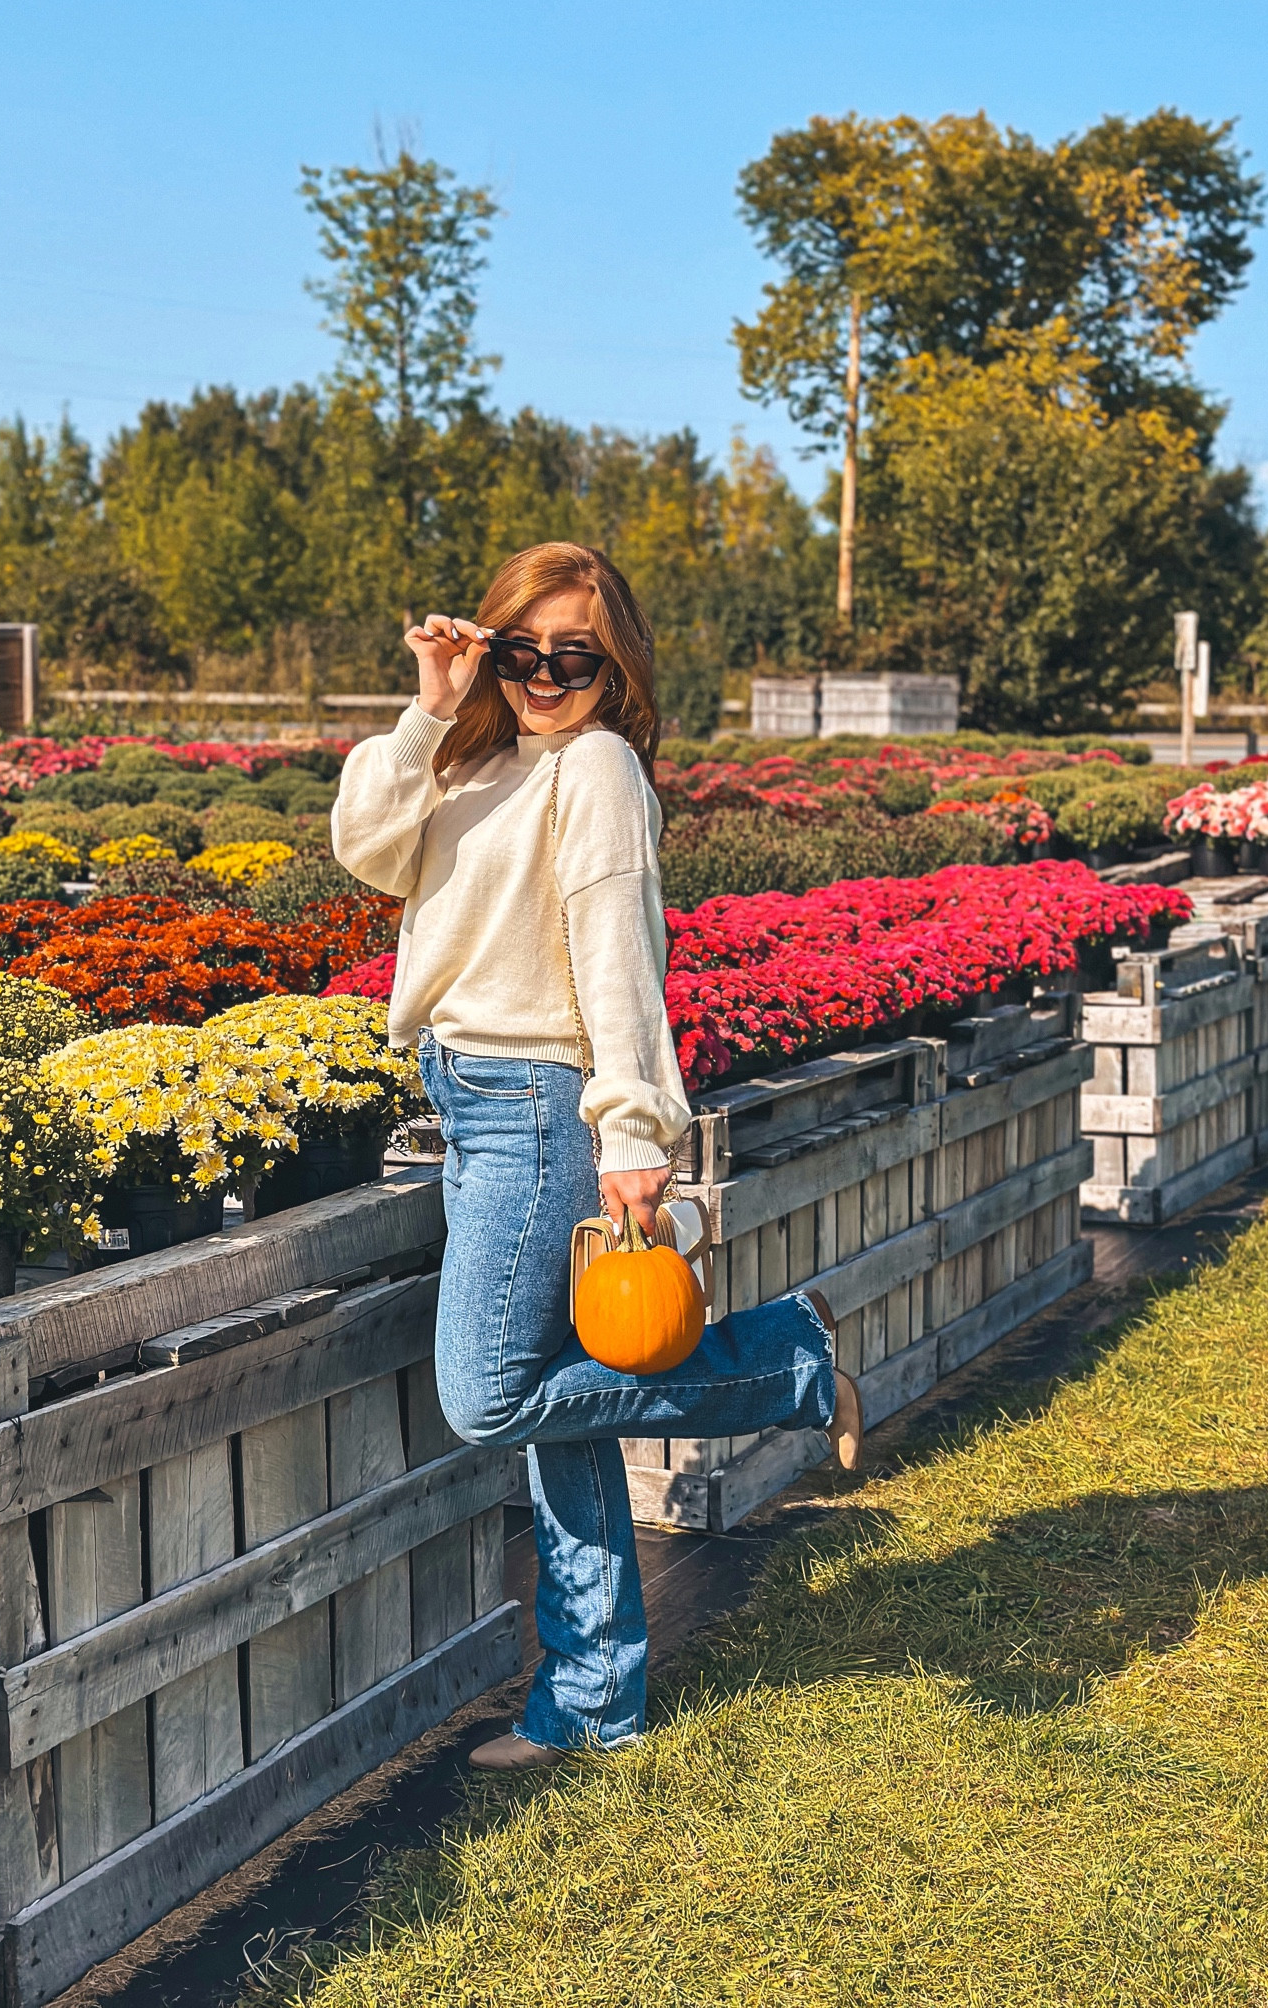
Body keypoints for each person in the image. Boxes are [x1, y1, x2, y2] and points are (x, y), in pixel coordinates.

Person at [331, 541, 864, 1770]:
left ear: (612, 661)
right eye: (523, 650)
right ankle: (590, 1698)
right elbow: (366, 846)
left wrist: (632, 1127)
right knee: (558, 1420)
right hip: (466, 1101)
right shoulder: (482, 758)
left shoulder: (602, 768)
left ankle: (788, 1359)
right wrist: (430, 703)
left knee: (489, 1392)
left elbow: (620, 952)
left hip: (535, 1099)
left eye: (573, 654)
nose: (545, 674)